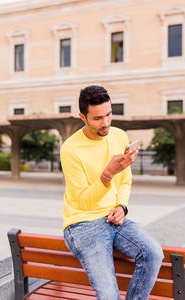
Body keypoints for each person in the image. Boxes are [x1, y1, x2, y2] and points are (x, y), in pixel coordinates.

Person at [60, 85, 164, 300]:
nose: (105, 123)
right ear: (83, 117)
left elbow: (125, 179)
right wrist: (106, 175)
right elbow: (84, 203)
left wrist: (121, 206)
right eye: (97, 118)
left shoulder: (119, 136)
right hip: (82, 224)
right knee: (108, 295)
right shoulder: (70, 149)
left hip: (114, 218)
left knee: (153, 254)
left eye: (108, 115)